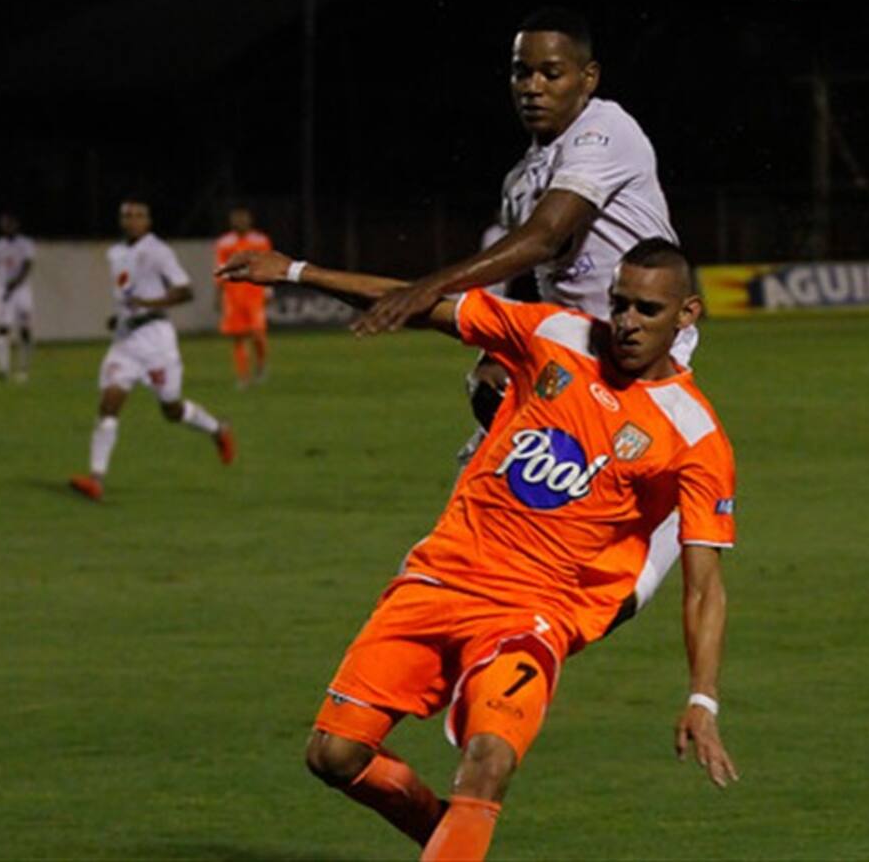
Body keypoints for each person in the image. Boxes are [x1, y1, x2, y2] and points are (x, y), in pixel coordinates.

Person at [219, 238, 738, 861]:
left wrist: (701, 699)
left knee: (488, 762)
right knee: (334, 755)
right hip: (438, 580)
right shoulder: (556, 333)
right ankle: (451, 840)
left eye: (647, 311)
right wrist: (298, 271)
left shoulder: (695, 434)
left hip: (531, 615)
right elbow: (423, 303)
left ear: (687, 315)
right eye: (620, 303)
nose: (626, 322)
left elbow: (704, 584)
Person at [360, 6, 694, 613]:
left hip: (639, 352)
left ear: (587, 79)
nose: (533, 87)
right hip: (573, 358)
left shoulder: (605, 130)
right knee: (491, 490)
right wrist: (496, 354)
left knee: (577, 494)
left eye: (551, 73)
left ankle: (647, 548)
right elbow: (531, 279)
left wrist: (423, 289)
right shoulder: (522, 178)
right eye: (522, 73)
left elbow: (545, 236)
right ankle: (472, 613)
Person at [69, 199, 235, 502]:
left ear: (148, 221)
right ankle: (96, 480)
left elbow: (185, 290)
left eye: (138, 215)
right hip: (125, 344)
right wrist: (120, 317)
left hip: (156, 343)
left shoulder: (158, 251)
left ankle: (217, 429)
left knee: (171, 409)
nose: (132, 220)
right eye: (127, 215)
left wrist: (147, 307)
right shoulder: (115, 253)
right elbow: (128, 295)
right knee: (108, 404)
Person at [214, 205, 273, 388]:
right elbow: (220, 269)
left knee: (257, 334)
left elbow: (269, 264)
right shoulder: (224, 243)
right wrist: (218, 294)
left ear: (249, 220)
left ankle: (261, 365)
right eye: (236, 218)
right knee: (238, 337)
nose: (239, 221)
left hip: (255, 294)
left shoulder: (260, 241)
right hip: (233, 296)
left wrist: (269, 288)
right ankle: (243, 376)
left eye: (242, 217)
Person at [0, 211, 36, 383]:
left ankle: (23, 369)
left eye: (10, 223)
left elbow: (28, 265)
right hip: (3, 290)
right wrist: (0, 288)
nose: (7, 227)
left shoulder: (25, 244)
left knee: (25, 329)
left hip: (21, 290)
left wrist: (15, 283)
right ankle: (3, 369)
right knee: (2, 328)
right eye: (4, 223)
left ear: (16, 224)